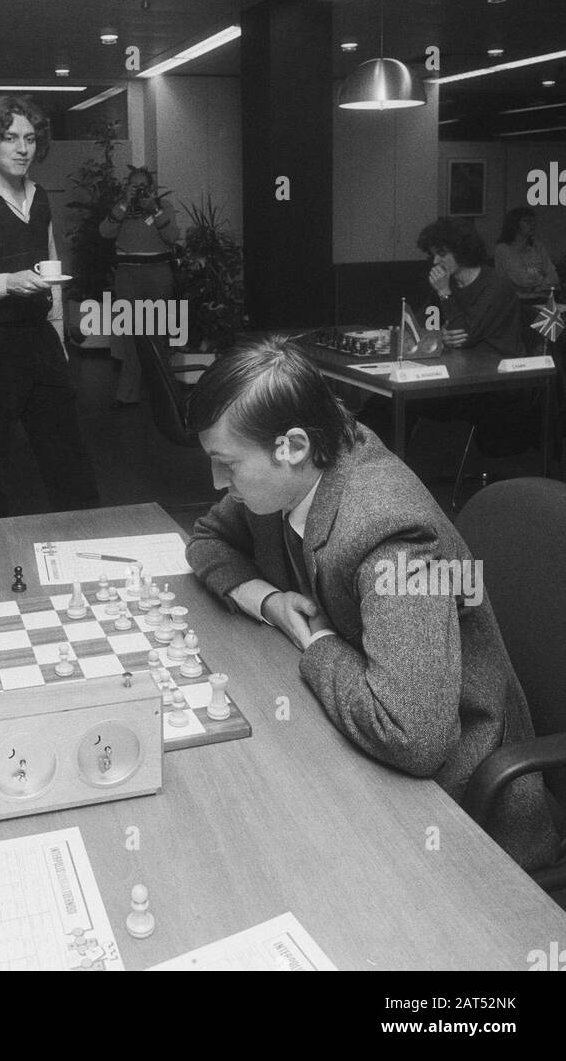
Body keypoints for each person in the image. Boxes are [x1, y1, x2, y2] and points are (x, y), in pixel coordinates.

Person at [186, 334, 559, 873]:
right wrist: (267, 601)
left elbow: (414, 735)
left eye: (227, 464)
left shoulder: (391, 531)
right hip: (360, 732)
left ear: (289, 446)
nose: (219, 481)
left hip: (458, 807)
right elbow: (206, 539)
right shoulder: (296, 471)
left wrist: (315, 642)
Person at [0, 94, 99, 519]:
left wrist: (60, 339)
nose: (22, 148)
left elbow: (51, 271)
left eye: (29, 138)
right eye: (10, 138)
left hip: (41, 341)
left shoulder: (41, 197)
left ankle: (85, 536)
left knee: (67, 448)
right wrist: (7, 283)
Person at [99, 166, 179, 407]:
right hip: (128, 276)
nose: (139, 190)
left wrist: (153, 210)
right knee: (130, 338)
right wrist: (124, 204)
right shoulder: (120, 209)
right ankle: (128, 395)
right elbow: (104, 231)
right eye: (134, 185)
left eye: (143, 185)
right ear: (127, 187)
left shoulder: (164, 207)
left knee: (158, 335)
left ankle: (164, 395)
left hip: (158, 275)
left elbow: (173, 237)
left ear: (151, 188)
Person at [417, 216, 522, 355]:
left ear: (462, 250)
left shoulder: (495, 286)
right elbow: (423, 323)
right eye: (433, 254)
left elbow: (464, 338)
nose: (436, 261)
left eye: (442, 254)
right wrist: (439, 336)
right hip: (463, 360)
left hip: (498, 363)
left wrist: (444, 292)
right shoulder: (449, 281)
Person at [494, 208, 560, 298]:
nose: (532, 224)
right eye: (527, 221)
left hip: (542, 297)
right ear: (514, 224)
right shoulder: (504, 249)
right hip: (514, 301)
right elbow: (522, 280)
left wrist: (534, 287)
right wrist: (543, 282)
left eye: (533, 221)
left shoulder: (538, 247)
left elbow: (554, 277)